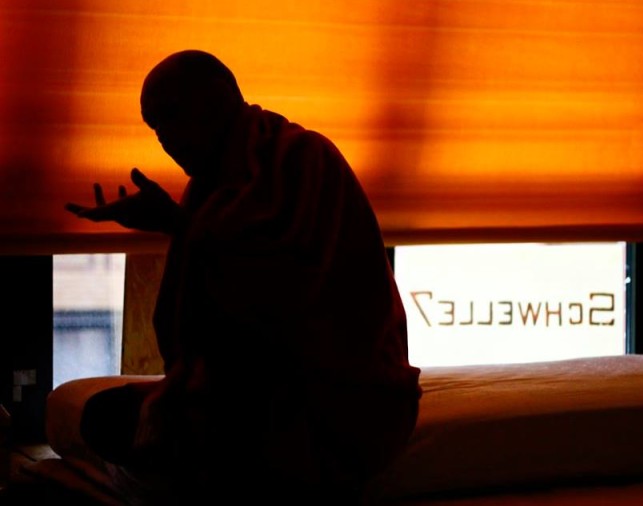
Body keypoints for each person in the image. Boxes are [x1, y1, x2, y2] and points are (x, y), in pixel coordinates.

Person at [66, 49, 421, 505]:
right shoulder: (212, 184)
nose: (164, 139)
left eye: (171, 117)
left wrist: (177, 224)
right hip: (246, 383)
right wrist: (179, 225)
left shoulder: (303, 158)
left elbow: (287, 303)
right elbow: (211, 321)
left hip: (332, 392)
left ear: (217, 101)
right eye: (154, 127)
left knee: (218, 436)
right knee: (103, 416)